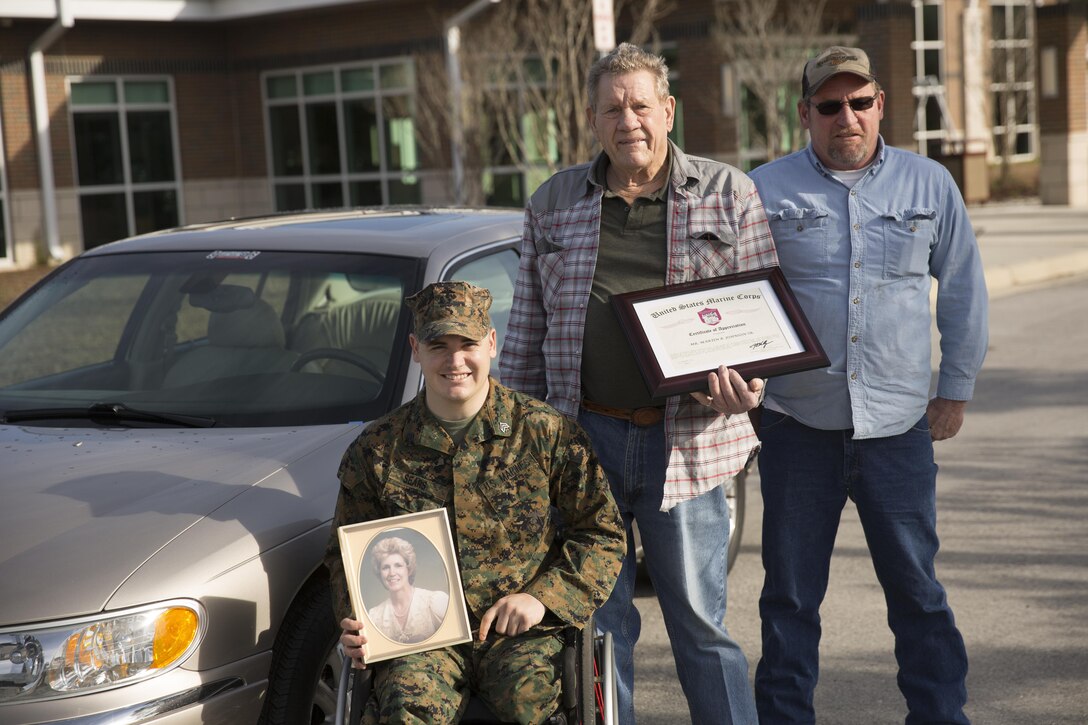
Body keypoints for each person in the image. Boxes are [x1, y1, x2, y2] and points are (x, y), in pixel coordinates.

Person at [499, 42, 777, 724]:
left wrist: (750, 385)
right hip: (582, 436)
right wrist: (518, 447)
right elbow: (525, 339)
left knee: (701, 626)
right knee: (599, 624)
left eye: (641, 105)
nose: (630, 121)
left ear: (669, 110)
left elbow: (764, 320)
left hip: (687, 441)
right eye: (613, 108)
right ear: (593, 119)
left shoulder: (728, 192)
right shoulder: (554, 201)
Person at [747, 46, 988, 723]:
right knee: (790, 599)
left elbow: (964, 289)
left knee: (916, 590)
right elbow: (736, 297)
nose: (845, 116)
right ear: (806, 114)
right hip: (798, 427)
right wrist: (746, 392)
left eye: (859, 102)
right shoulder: (764, 189)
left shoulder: (930, 183)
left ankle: (941, 715)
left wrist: (955, 387)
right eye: (830, 105)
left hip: (898, 429)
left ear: (881, 105)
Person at [325, 281, 624, 724]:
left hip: (522, 635)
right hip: (420, 639)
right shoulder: (377, 448)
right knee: (406, 708)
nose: (455, 360)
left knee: (530, 702)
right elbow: (343, 555)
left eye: (467, 343)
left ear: (491, 343)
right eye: (438, 345)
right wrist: (356, 621)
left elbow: (602, 533)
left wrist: (542, 598)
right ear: (415, 349)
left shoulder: (544, 432)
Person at [365, 536, 449, 645]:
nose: (392, 573)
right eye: (385, 567)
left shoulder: (435, 602)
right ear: (379, 573)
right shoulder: (374, 617)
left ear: (408, 569)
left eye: (398, 565)